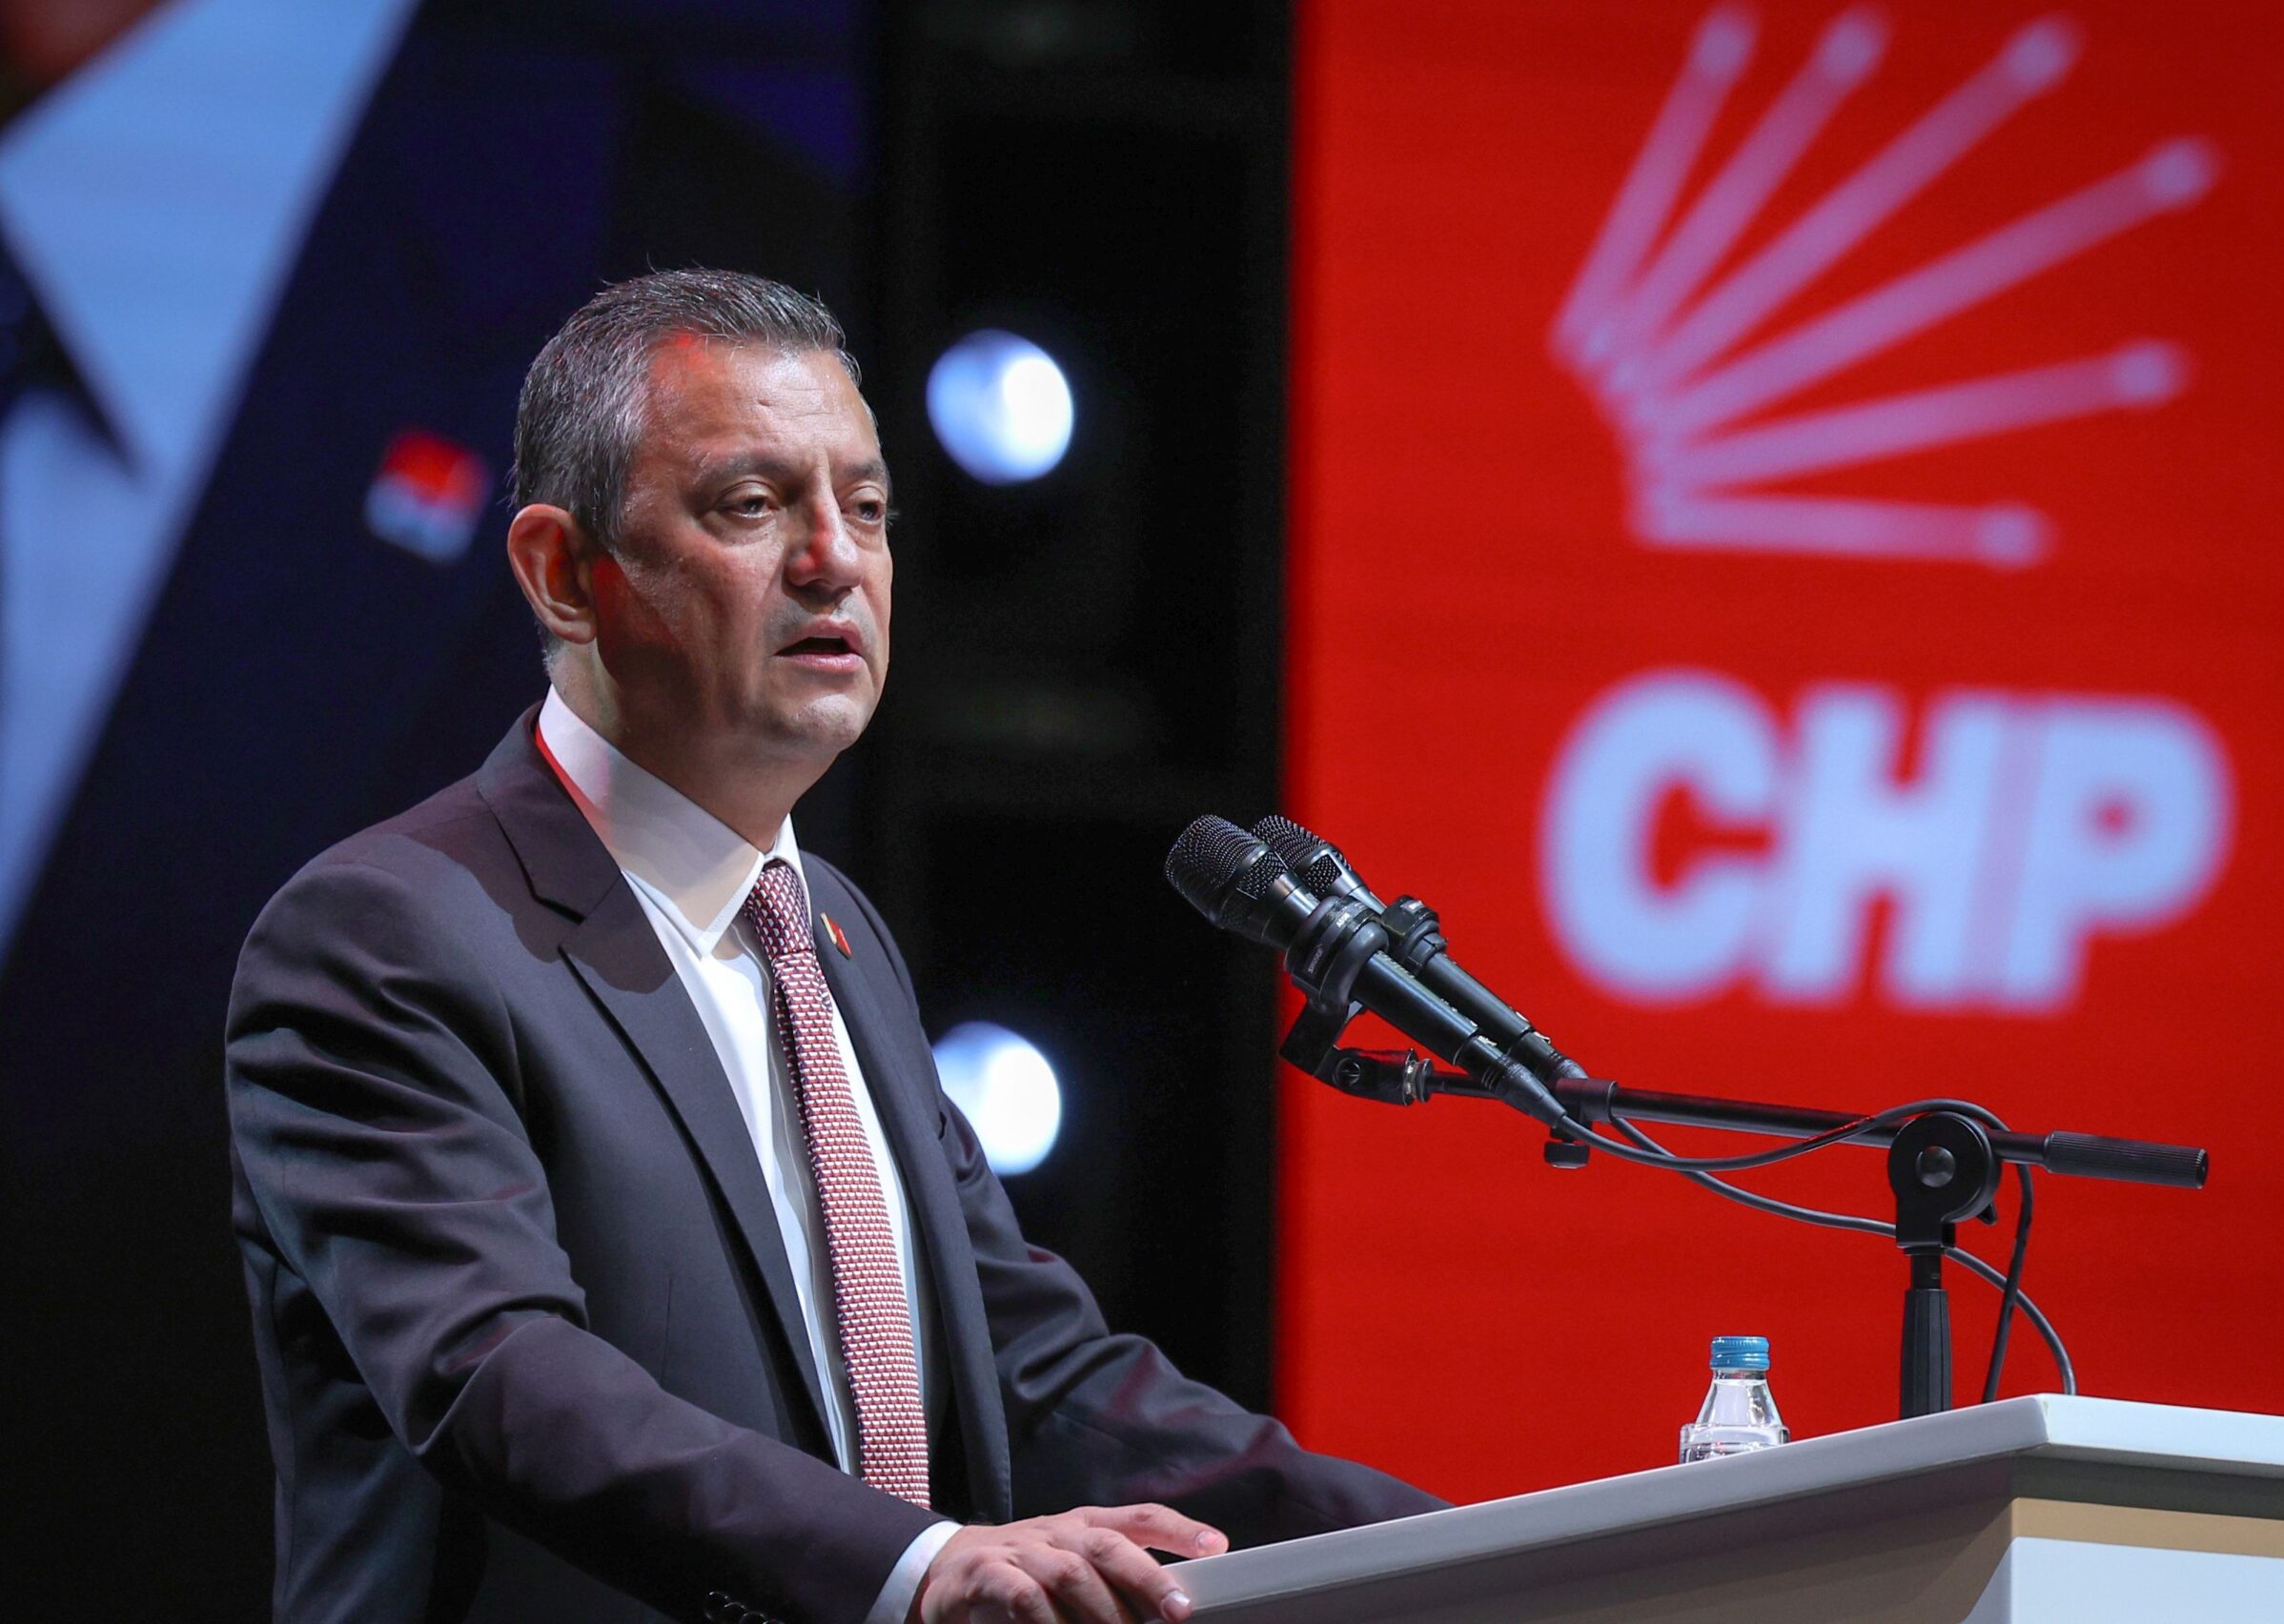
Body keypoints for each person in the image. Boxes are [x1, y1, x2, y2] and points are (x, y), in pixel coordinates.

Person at [225, 269, 1441, 1624]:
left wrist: (1504, 1548)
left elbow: (1035, 1372)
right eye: (753, 505)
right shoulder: (388, 934)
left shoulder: (836, 937)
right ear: (564, 574)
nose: (835, 560)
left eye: (865, 508)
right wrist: (913, 1562)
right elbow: (494, 1371)